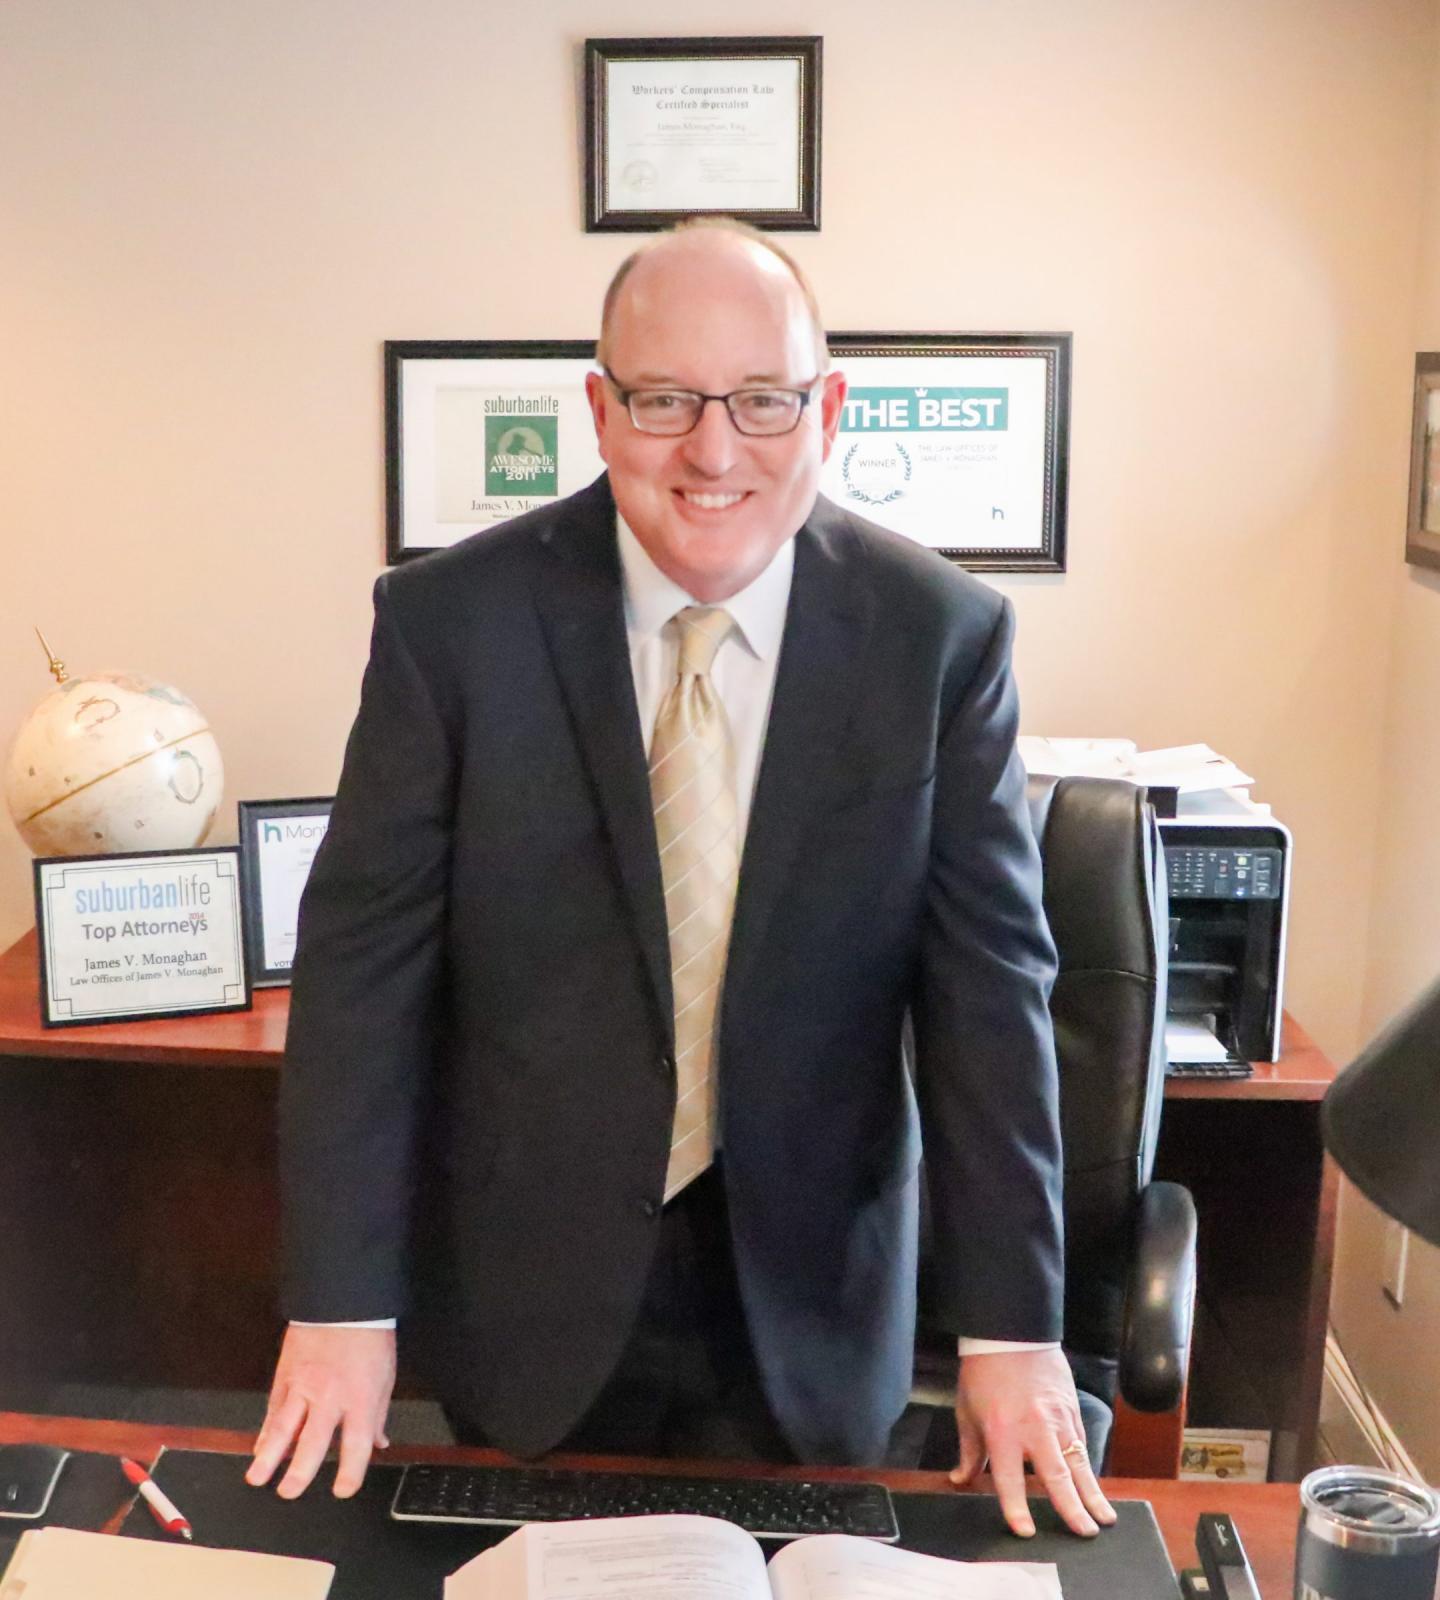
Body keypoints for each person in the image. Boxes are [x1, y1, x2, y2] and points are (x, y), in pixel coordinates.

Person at [246, 219, 1116, 1542]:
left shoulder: (938, 640)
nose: (715, 452)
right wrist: (341, 1305)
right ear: (600, 409)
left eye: (763, 400)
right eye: (664, 401)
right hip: (527, 1287)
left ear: (827, 407)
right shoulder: (452, 628)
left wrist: (1012, 1330)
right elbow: (364, 984)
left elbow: (991, 999)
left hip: (816, 1288)